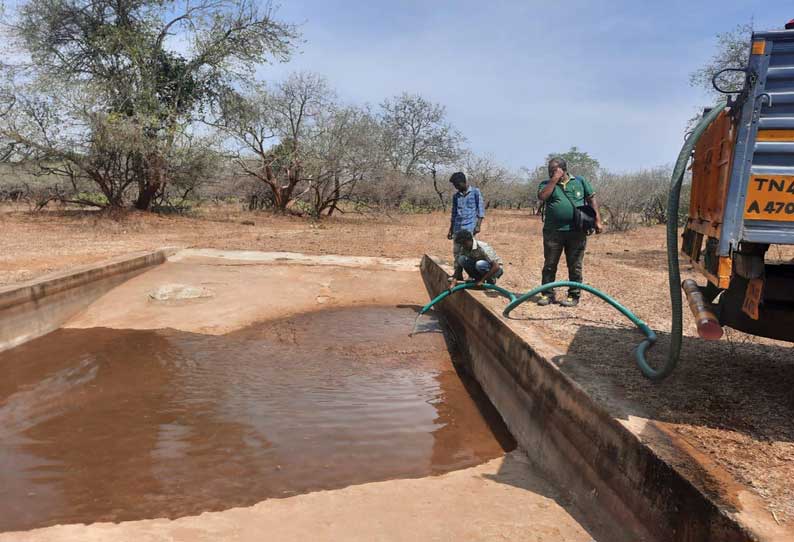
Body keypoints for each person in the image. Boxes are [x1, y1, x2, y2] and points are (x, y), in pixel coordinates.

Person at [536, 157, 603, 307]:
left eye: (553, 170)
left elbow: (592, 200)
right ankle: (547, 294)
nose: (549, 172)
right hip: (553, 232)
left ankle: (574, 295)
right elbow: (542, 197)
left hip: (577, 232)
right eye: (549, 170)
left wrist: (598, 220)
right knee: (549, 264)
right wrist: (554, 179)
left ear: (563, 169)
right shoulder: (546, 184)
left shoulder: (579, 182)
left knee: (575, 265)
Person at [447, 171, 485, 263]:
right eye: (454, 185)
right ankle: (457, 272)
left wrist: (478, 225)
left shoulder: (475, 192)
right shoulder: (456, 196)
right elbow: (454, 213)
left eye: (457, 185)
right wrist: (451, 229)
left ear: (463, 182)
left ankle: (471, 273)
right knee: (457, 251)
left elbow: (480, 209)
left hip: (469, 227)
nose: (456, 187)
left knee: (469, 251)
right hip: (457, 228)